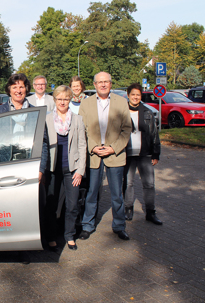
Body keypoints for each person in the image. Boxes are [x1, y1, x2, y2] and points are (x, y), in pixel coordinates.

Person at [0, 73, 48, 270]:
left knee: (23, 210)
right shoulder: (0, 110)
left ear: (27, 89)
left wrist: (40, 170)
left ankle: (22, 249)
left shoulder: (35, 111)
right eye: (15, 87)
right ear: (9, 89)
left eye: (22, 87)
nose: (19, 90)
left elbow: (43, 143)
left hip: (26, 166)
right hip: (2, 164)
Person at [78, 72, 132, 241]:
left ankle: (119, 226)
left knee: (117, 194)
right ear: (94, 85)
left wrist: (112, 148)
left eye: (106, 82)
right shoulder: (85, 104)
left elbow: (126, 129)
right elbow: (82, 128)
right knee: (92, 192)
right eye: (99, 82)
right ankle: (87, 225)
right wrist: (94, 147)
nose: (102, 85)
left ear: (110, 84)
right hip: (94, 154)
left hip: (114, 154)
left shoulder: (121, 102)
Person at [45, 85, 86, 251]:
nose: (62, 102)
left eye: (66, 99)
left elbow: (82, 145)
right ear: (55, 100)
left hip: (72, 170)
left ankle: (69, 235)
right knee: (52, 205)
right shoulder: (47, 119)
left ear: (70, 100)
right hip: (52, 169)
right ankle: (52, 236)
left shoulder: (77, 119)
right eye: (59, 99)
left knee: (72, 205)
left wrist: (80, 170)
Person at [123, 83, 162, 225]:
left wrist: (156, 153)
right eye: (133, 94)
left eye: (138, 95)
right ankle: (128, 208)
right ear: (128, 95)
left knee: (149, 184)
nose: (135, 97)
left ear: (141, 96)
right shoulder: (122, 111)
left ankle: (151, 212)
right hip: (127, 154)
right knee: (128, 183)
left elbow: (154, 134)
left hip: (144, 153)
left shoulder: (147, 112)